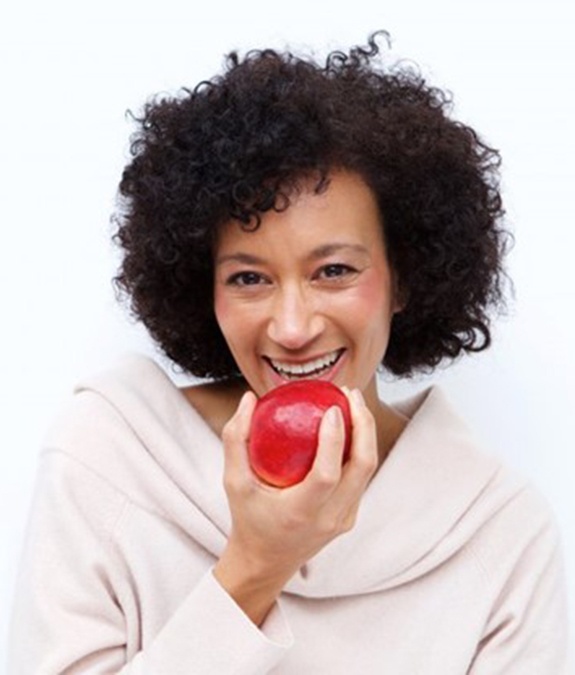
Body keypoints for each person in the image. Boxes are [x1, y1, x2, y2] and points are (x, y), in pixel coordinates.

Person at [8, 33, 570, 673]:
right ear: (204, 288)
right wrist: (255, 566)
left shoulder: (500, 534)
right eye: (249, 278)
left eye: (333, 270)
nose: (294, 327)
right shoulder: (109, 456)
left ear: (404, 277)